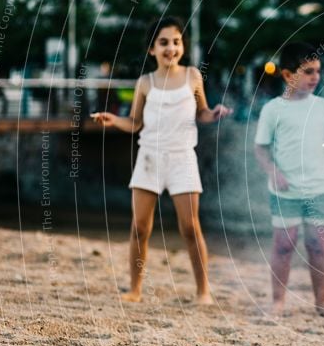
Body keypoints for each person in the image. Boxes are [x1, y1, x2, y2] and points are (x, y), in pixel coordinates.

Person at [91, 17, 231, 305]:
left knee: (190, 227)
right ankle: (135, 289)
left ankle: (203, 291)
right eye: (164, 42)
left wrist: (213, 114)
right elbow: (135, 123)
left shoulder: (193, 76)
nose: (171, 48)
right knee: (140, 228)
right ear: (151, 49)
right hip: (149, 159)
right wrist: (114, 120)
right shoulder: (145, 82)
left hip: (182, 159)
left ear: (183, 46)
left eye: (176, 42)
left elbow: (201, 113)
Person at [254, 42, 324, 317]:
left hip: (319, 188)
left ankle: (322, 302)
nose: (315, 77)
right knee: (284, 245)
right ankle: (278, 301)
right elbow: (261, 148)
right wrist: (272, 171)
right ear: (288, 75)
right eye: (308, 72)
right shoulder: (273, 110)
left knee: (317, 245)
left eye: (317, 71)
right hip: (284, 191)